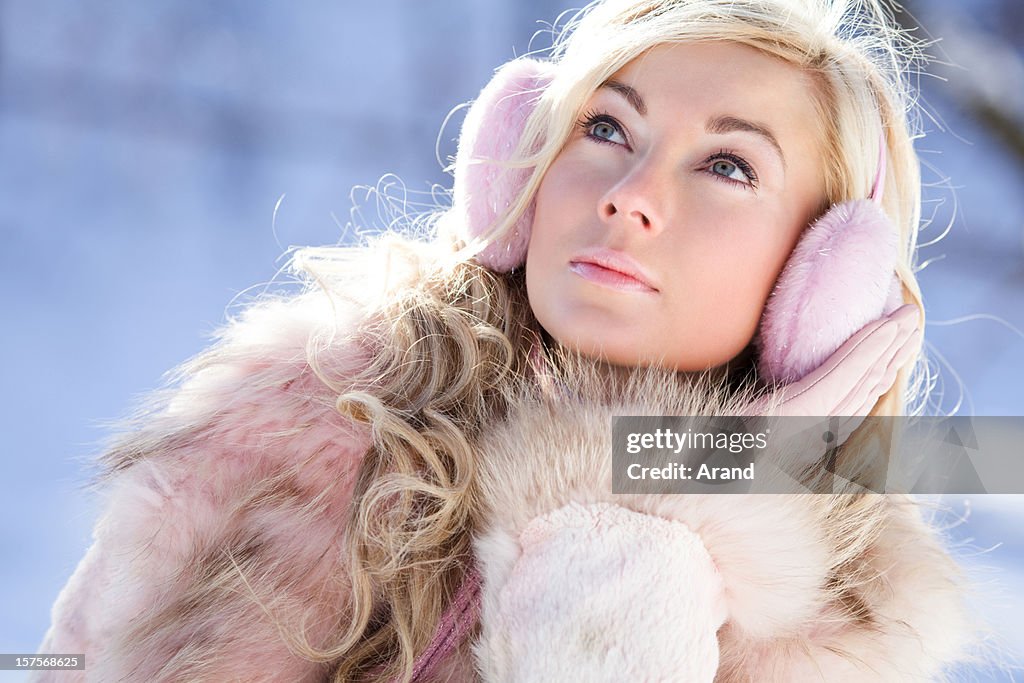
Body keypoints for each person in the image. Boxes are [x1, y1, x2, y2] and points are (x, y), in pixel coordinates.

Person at [34, 0, 978, 680]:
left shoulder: (831, 634)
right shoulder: (307, 408)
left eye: (727, 165)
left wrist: (664, 490)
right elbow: (65, 660)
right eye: (606, 126)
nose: (630, 193)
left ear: (821, 278)